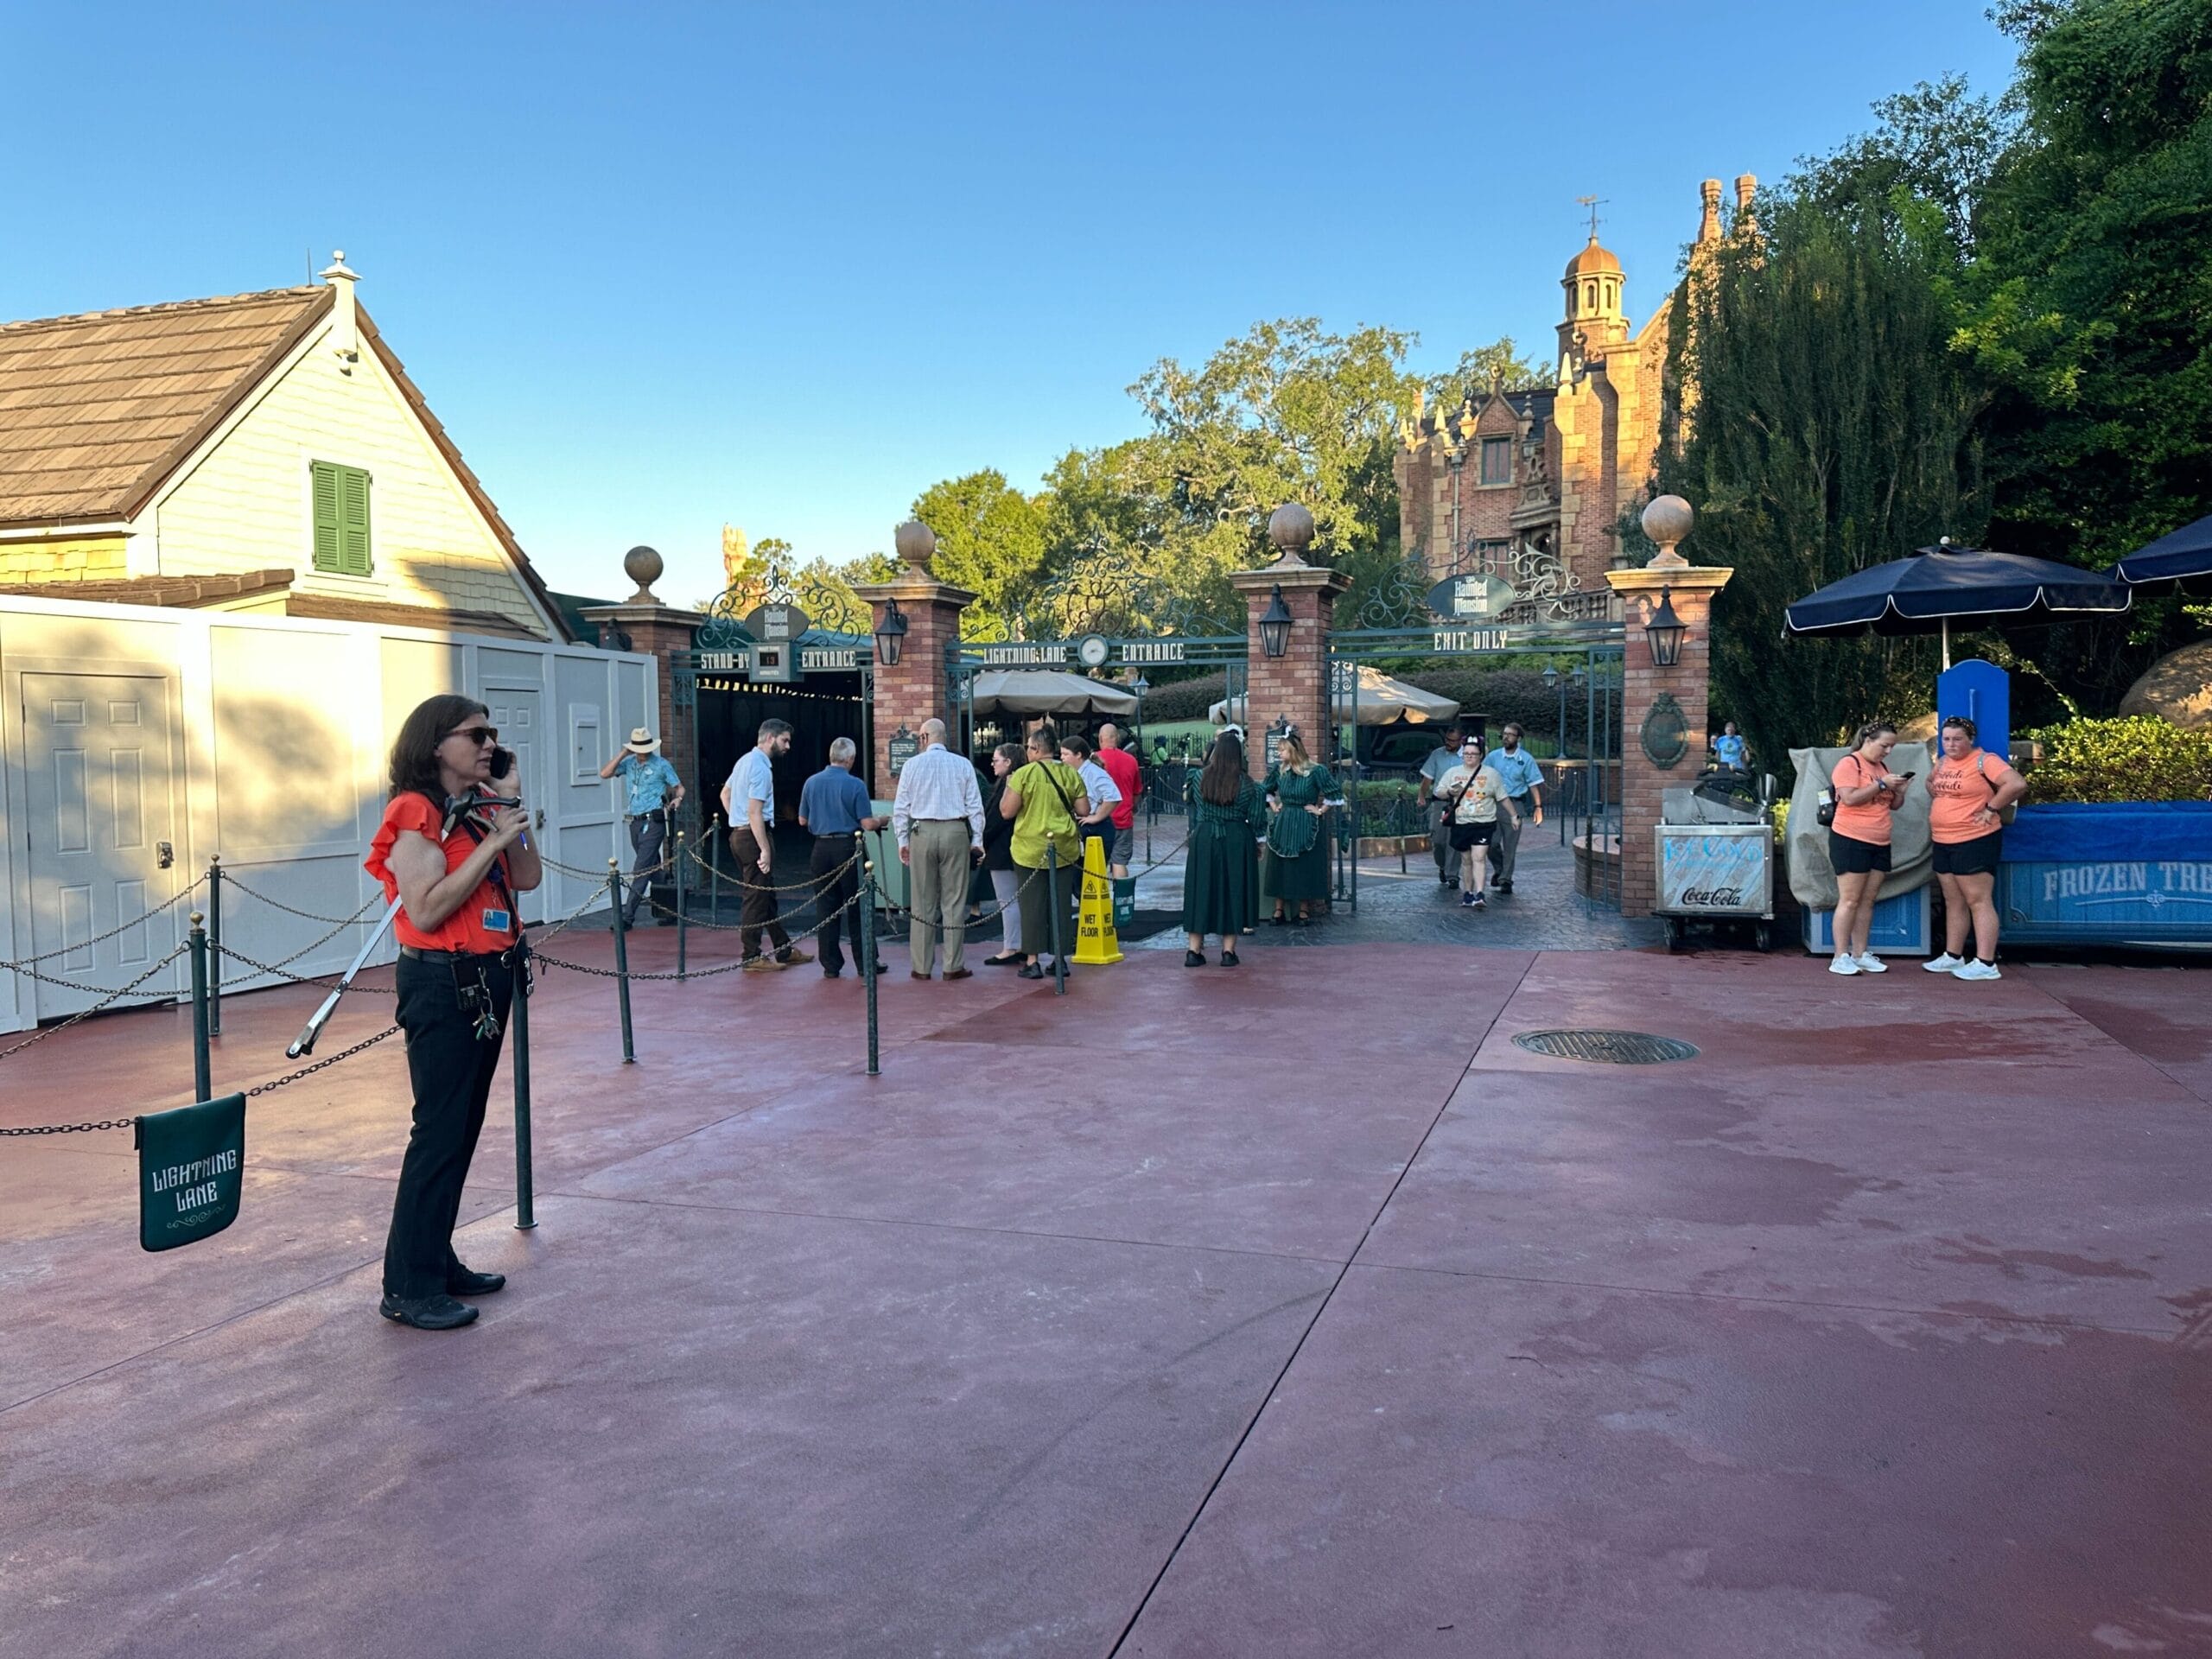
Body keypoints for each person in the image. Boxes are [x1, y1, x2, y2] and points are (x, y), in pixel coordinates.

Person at [364, 695, 542, 1332]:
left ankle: (435, 1259)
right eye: (476, 734)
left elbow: (526, 877)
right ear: (437, 745)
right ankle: (408, 1284)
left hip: (488, 979)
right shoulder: (415, 813)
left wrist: (508, 812)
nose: (489, 743)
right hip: (444, 985)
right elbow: (428, 908)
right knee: (437, 1133)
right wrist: (488, 839)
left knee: (461, 1130)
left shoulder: (475, 810)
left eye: (493, 733)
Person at [1923, 715, 2025, 981]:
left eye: (1958, 739)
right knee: (1953, 900)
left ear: (1970, 740)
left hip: (1974, 839)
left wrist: (1991, 808)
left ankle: (1986, 961)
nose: (1951, 744)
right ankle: (1953, 955)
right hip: (1943, 839)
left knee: (1978, 900)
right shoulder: (1943, 761)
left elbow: (2016, 784)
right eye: (1946, 739)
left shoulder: (1985, 760)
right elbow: (1930, 783)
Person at [893, 717, 985, 981]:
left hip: (922, 830)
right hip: (955, 830)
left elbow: (901, 808)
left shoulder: (911, 765)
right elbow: (974, 806)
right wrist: (977, 838)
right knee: (954, 901)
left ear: (923, 738)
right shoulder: (963, 764)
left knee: (922, 901)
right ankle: (952, 965)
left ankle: (921, 966)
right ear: (944, 737)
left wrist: (902, 841)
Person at [998, 725, 1090, 980]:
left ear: (1036, 749)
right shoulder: (1069, 774)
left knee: (1031, 906)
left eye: (1028, 747)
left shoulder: (1024, 774)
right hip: (1063, 847)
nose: (1027, 751)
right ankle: (1060, 959)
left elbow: (1006, 811)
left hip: (1029, 848)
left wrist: (1008, 786)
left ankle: (1033, 960)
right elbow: (1084, 809)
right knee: (1061, 904)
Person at [721, 718, 812, 972]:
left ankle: (783, 948)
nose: (788, 746)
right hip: (752, 836)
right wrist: (764, 848)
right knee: (755, 897)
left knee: (765, 895)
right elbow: (755, 812)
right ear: (770, 738)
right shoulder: (761, 768)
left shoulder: (743, 761)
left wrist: (734, 819)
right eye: (785, 740)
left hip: (739, 835)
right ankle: (751, 955)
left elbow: (725, 794)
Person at [797, 736, 888, 979]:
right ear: (850, 759)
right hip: (849, 847)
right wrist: (882, 820)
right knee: (858, 906)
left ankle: (830, 964)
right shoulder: (855, 784)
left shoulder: (811, 782)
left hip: (820, 849)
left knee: (826, 907)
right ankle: (865, 962)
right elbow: (868, 824)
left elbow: (802, 820)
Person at [1181, 730, 1267, 965]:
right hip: (1237, 838)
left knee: (1201, 889)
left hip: (1205, 836)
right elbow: (1258, 820)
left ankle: (1193, 951)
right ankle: (1228, 952)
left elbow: (1190, 802)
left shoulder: (1198, 778)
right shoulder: (1249, 785)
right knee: (1233, 890)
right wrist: (1259, 844)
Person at [1827, 720, 1905, 976]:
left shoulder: (1882, 767)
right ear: (1868, 741)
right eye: (1884, 745)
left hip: (1880, 840)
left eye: (1892, 747)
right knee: (1849, 899)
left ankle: (1860, 953)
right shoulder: (1850, 764)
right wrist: (1882, 784)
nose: (1887, 751)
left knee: (1867, 901)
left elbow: (1892, 805)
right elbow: (1849, 798)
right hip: (1851, 838)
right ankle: (1840, 956)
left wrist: (1899, 791)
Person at [598, 727, 684, 927]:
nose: (641, 751)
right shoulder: (629, 764)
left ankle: (627, 917)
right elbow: (605, 773)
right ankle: (672, 905)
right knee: (652, 868)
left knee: (641, 869)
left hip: (654, 821)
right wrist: (622, 754)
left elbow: (679, 787)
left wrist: (678, 799)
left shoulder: (662, 765)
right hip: (635, 821)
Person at [1436, 737, 1518, 910]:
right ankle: (1468, 893)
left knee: (1479, 857)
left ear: (1481, 755)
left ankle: (1480, 894)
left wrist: (1513, 815)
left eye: (1473, 754)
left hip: (1484, 822)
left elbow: (1502, 797)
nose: (1469, 757)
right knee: (1466, 860)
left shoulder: (1491, 774)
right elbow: (1439, 792)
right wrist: (1450, 791)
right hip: (1461, 822)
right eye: (1466, 754)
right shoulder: (1453, 772)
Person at [1262, 730, 1330, 925]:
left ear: (1293, 750)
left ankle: (1303, 910)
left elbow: (1334, 792)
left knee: (1302, 865)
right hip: (1285, 821)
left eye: (1283, 750)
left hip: (1305, 821)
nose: (1279, 754)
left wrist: (1320, 810)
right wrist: (1275, 806)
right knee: (1280, 864)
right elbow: (1265, 790)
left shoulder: (1316, 771)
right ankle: (1278, 910)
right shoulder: (1279, 771)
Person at [1481, 723, 1545, 894]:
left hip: (1515, 804)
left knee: (1510, 845)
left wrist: (1538, 807)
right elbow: (1481, 776)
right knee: (1491, 843)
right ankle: (1500, 869)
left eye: (1510, 734)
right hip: (1494, 804)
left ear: (1518, 738)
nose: (1506, 737)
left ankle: (1506, 879)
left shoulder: (1526, 759)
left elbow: (1533, 784)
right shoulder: (1493, 757)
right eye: (1504, 734)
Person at [980, 742, 1025, 965]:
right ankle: (1022, 944)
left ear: (1008, 762)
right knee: (1018, 899)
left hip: (1002, 848)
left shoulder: (1008, 785)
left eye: (996, 759)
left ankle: (1012, 945)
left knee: (1007, 900)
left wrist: (982, 840)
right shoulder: (1019, 780)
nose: (992, 763)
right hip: (1015, 847)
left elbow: (998, 817)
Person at [1416, 724, 1465, 889]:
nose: (1449, 743)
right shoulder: (1437, 754)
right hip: (1440, 802)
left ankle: (1453, 875)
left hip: (1460, 804)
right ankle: (1443, 866)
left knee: (1454, 840)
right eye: (1447, 740)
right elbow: (1427, 778)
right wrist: (1421, 795)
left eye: (1453, 741)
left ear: (1461, 740)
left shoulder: (1468, 755)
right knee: (1438, 840)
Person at [1060, 734, 1122, 861]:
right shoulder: (1076, 772)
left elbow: (1113, 795)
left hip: (1095, 828)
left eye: (1066, 754)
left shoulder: (1094, 772)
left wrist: (1097, 817)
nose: (1062, 758)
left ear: (1078, 755)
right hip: (1084, 825)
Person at [1096, 723, 1144, 878]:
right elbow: (1137, 792)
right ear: (1117, 738)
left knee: (1097, 862)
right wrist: (1132, 809)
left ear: (1100, 739)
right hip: (1123, 819)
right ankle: (1120, 898)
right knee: (1120, 861)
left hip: (1100, 819)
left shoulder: (1094, 760)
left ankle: (1100, 900)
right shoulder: (1131, 761)